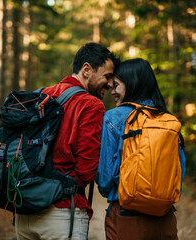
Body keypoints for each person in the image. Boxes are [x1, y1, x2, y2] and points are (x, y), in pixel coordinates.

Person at [15, 42, 120, 240]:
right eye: (107, 76)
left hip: (24, 211)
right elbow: (87, 169)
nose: (109, 84)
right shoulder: (91, 105)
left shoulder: (41, 95)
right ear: (87, 70)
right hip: (62, 214)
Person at [95, 58, 186, 240]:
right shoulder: (168, 119)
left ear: (131, 84)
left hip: (126, 216)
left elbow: (104, 180)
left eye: (116, 85)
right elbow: (179, 171)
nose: (113, 91)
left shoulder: (113, 118)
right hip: (164, 217)